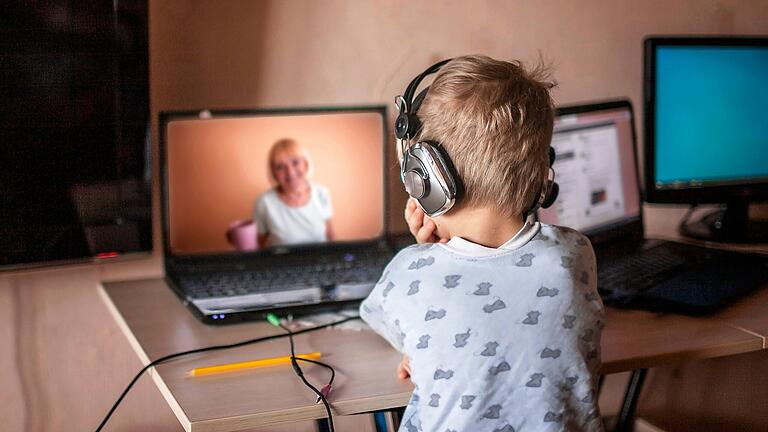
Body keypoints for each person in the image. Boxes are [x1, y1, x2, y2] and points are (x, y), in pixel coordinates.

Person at [360, 55, 604, 431]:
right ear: (543, 174)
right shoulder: (575, 254)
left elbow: (376, 316)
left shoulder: (411, 272)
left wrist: (428, 252)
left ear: (424, 178)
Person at [253, 138, 334, 247]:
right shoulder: (263, 203)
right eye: (280, 167)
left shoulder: (321, 193)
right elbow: (259, 245)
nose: (290, 172)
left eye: (295, 163)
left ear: (305, 164)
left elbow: (330, 235)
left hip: (320, 262)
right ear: (273, 173)